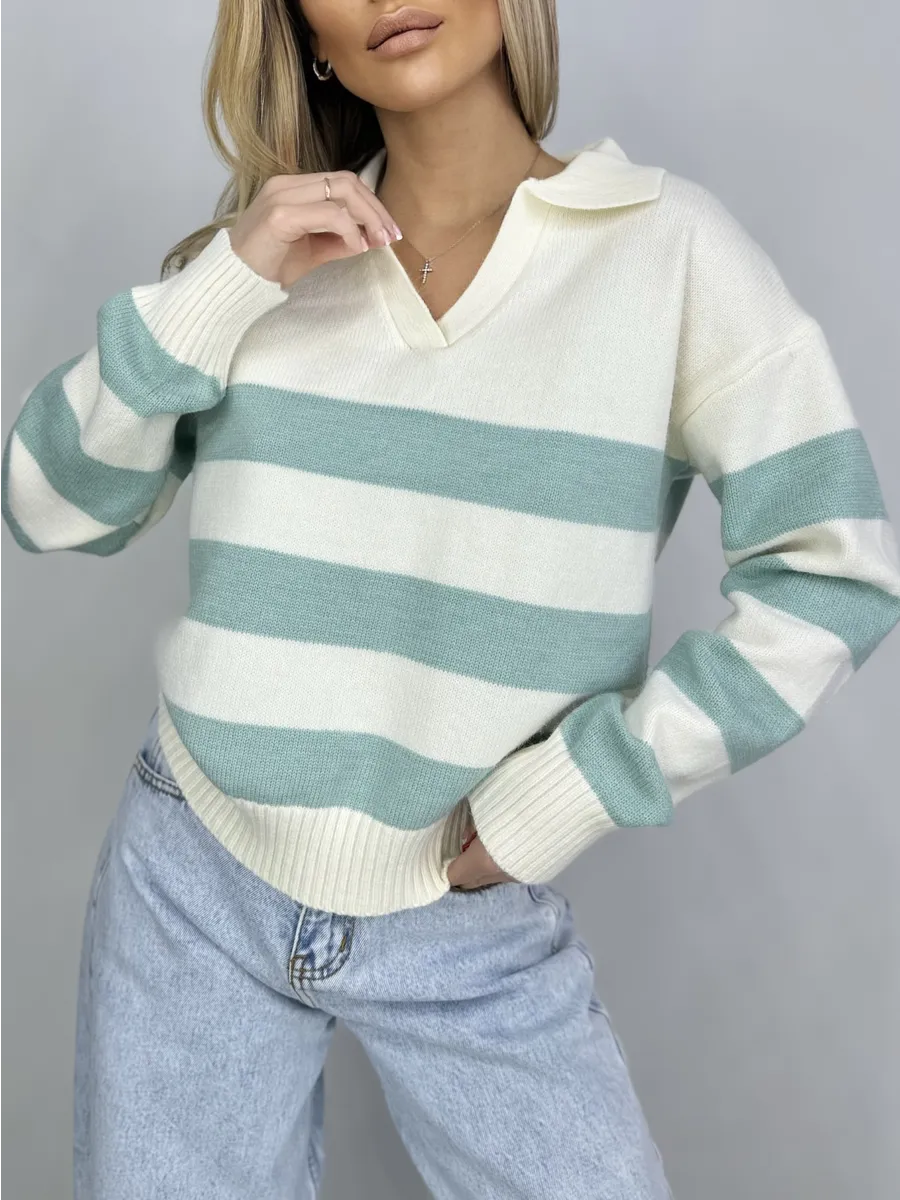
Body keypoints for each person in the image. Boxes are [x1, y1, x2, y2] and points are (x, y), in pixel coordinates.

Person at [3, 1, 899, 1196]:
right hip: (193, 880)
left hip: (465, 918)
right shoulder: (263, 264)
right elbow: (47, 506)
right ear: (308, 39)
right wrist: (223, 284)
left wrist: (583, 784)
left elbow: (835, 571)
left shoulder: (668, 253)